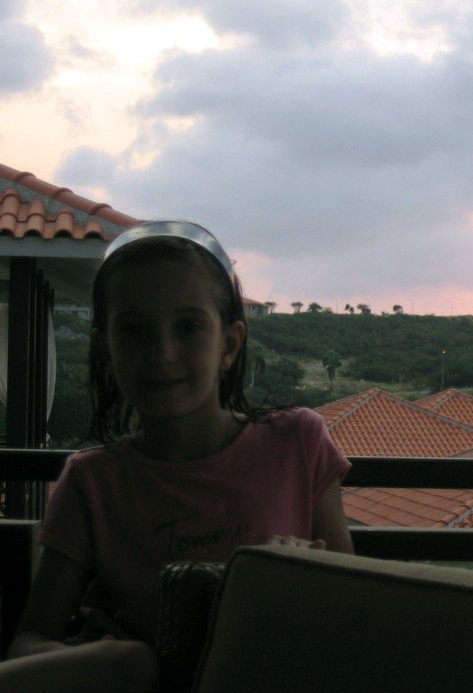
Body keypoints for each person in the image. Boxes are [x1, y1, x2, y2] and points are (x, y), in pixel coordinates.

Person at [2, 221, 353, 692]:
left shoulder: (298, 443)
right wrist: (110, 661)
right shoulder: (93, 481)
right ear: (105, 348)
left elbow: (353, 605)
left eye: (187, 327)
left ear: (229, 344)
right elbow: (29, 642)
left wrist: (300, 577)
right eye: (134, 330)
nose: (162, 353)